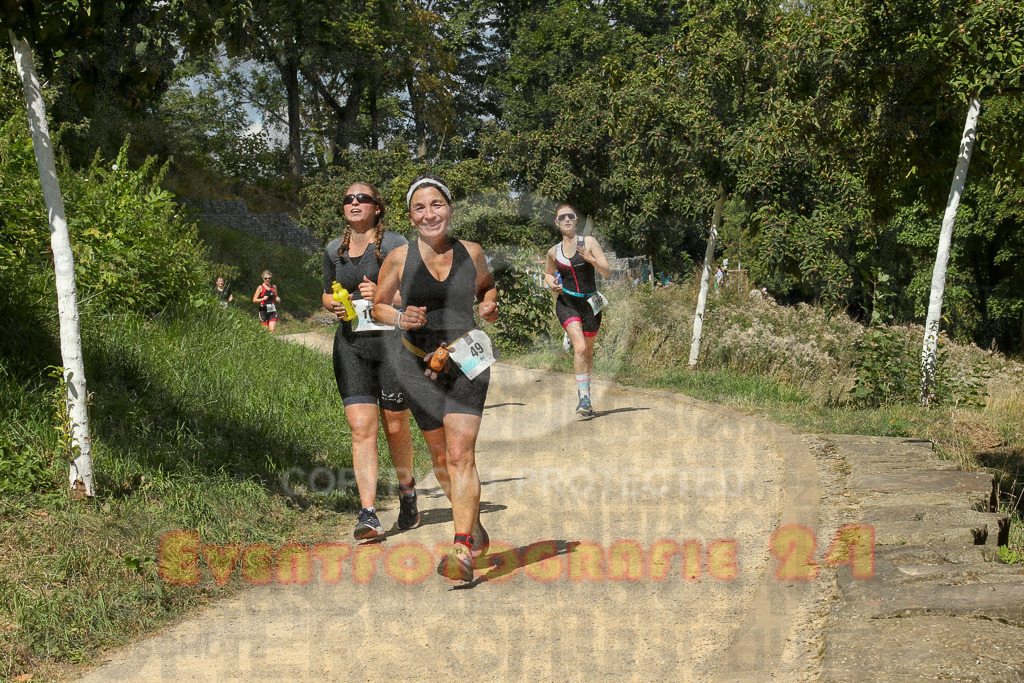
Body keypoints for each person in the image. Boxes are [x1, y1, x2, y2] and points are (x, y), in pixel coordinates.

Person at [372, 174, 499, 582]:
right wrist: (399, 315)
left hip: (467, 361)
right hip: (417, 365)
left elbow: (486, 289)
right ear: (411, 217)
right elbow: (376, 307)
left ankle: (461, 546)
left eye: (437, 204)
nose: (430, 214)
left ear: (450, 208)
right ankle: (474, 527)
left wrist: (491, 305)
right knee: (442, 459)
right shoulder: (397, 258)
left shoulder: (472, 252)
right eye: (420, 208)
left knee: (461, 454)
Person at [322, 182, 417, 541]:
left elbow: (414, 291)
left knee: (395, 428)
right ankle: (369, 514)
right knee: (362, 428)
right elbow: (326, 290)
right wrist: (330, 302)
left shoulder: (395, 245)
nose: (354, 202)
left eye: (362, 198)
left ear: (377, 207)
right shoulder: (334, 249)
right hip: (351, 346)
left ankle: (407, 490)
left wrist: (382, 293)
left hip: (392, 346)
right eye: (348, 198)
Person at [544, 204, 611, 417]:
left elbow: (607, 272)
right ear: (557, 223)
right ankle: (583, 397)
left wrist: (590, 259)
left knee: (588, 352)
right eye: (561, 217)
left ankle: (586, 392)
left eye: (570, 216)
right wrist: (550, 284)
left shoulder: (589, 242)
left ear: (575, 219)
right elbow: (547, 274)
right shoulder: (553, 252)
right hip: (567, 303)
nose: (566, 220)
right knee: (580, 348)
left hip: (591, 304)